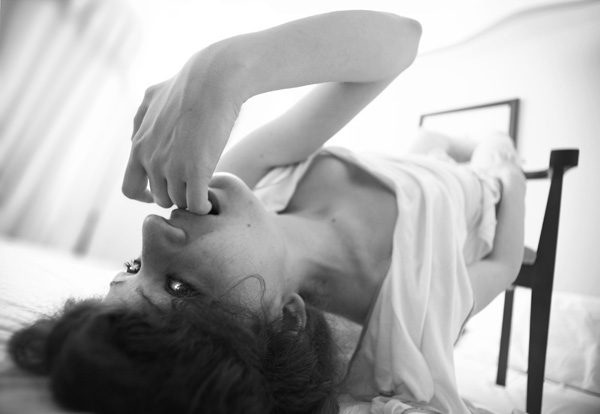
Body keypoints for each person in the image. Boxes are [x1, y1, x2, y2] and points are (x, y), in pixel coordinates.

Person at [8, 10, 525, 414]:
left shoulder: (249, 184)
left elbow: (402, 40)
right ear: (287, 320)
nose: (151, 229)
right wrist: (510, 177)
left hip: (408, 168)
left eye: (133, 267)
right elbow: (503, 265)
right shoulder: (409, 313)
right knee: (490, 147)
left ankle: (443, 148)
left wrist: (225, 68)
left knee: (430, 143)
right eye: (180, 287)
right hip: (474, 194)